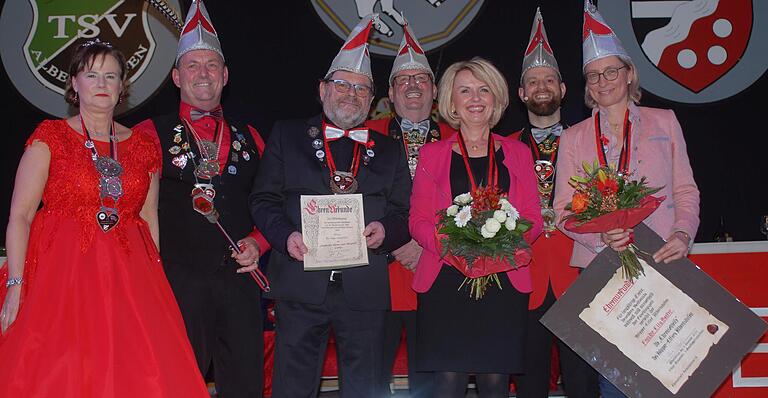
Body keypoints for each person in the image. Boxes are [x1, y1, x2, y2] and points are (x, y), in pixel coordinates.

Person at [0, 40, 208, 397]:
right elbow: (19, 215)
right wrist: (15, 286)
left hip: (127, 279)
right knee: (59, 369)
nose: (101, 83)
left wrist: (155, 286)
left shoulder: (143, 147)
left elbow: (148, 220)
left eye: (110, 76)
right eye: (92, 74)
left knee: (138, 369)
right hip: (58, 277)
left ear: (122, 86)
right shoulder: (50, 137)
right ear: (74, 83)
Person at [249, 14, 412, 398]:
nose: (350, 95)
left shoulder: (389, 149)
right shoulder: (287, 135)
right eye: (342, 85)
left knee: (366, 387)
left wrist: (387, 232)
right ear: (323, 90)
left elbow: (406, 213)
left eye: (361, 89)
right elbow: (263, 199)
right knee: (293, 386)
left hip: (364, 289)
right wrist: (285, 235)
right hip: (300, 284)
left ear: (371, 101)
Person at [553, 2, 700, 397]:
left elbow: (685, 190)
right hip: (603, 269)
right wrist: (598, 238)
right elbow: (563, 209)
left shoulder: (664, 121)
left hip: (663, 261)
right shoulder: (573, 137)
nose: (603, 82)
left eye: (611, 71)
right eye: (594, 75)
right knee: (615, 377)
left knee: (670, 371)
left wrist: (683, 235)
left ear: (629, 73)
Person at [134, 1, 269, 396]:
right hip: (177, 286)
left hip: (242, 285)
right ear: (176, 76)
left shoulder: (254, 137)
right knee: (179, 383)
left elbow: (269, 205)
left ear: (225, 75)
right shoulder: (146, 134)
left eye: (211, 65)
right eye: (193, 65)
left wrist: (258, 243)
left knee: (245, 385)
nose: (203, 74)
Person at [409, 57, 543, 398]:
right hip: (446, 276)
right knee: (447, 382)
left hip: (504, 277)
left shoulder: (518, 153)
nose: (475, 98)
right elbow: (419, 220)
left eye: (484, 89)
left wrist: (503, 247)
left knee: (496, 382)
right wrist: (453, 249)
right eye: (465, 90)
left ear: (497, 98)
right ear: (451, 102)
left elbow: (532, 217)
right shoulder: (432, 155)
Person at [510, 8, 598, 398]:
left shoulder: (589, 141)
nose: (541, 86)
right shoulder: (504, 148)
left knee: (583, 380)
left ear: (564, 89)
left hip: (578, 272)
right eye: (533, 81)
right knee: (529, 379)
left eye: (549, 80)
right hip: (524, 275)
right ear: (522, 93)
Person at [365, 20, 453, 397]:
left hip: (438, 273)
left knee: (432, 377)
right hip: (376, 278)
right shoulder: (364, 134)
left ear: (434, 90)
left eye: (422, 79)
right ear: (390, 92)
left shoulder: (460, 137)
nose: (413, 86)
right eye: (404, 80)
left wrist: (427, 245)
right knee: (368, 375)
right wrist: (397, 241)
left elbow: (474, 205)